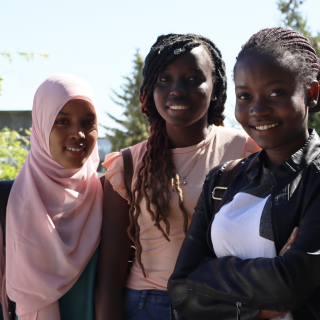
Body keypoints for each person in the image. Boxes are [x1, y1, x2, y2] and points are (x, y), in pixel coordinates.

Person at [95, 33, 262, 320]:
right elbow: (110, 274)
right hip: (144, 306)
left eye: (193, 78)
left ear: (216, 88)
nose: (177, 90)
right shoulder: (127, 165)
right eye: (164, 79)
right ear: (150, 88)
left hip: (219, 303)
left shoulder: (246, 150)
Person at [168, 27, 320, 320]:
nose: (258, 109)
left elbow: (291, 287)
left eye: (276, 93)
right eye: (245, 96)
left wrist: (209, 272)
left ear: (311, 94)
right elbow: (180, 288)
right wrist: (270, 280)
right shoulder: (222, 179)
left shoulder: (314, 177)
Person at [6, 74, 103, 320]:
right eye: (62, 121)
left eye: (87, 122)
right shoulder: (9, 200)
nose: (78, 134)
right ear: (41, 125)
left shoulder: (109, 192)